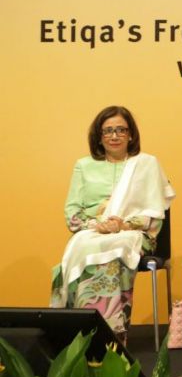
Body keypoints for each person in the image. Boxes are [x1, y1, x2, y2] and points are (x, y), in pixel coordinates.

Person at [51, 106, 174, 342]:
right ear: (98, 136)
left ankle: (108, 338)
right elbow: (72, 215)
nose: (114, 136)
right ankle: (78, 336)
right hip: (92, 233)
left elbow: (156, 216)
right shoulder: (84, 166)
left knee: (116, 252)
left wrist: (123, 225)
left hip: (134, 234)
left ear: (131, 134)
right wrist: (99, 224)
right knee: (90, 250)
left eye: (120, 130)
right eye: (107, 131)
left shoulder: (146, 164)